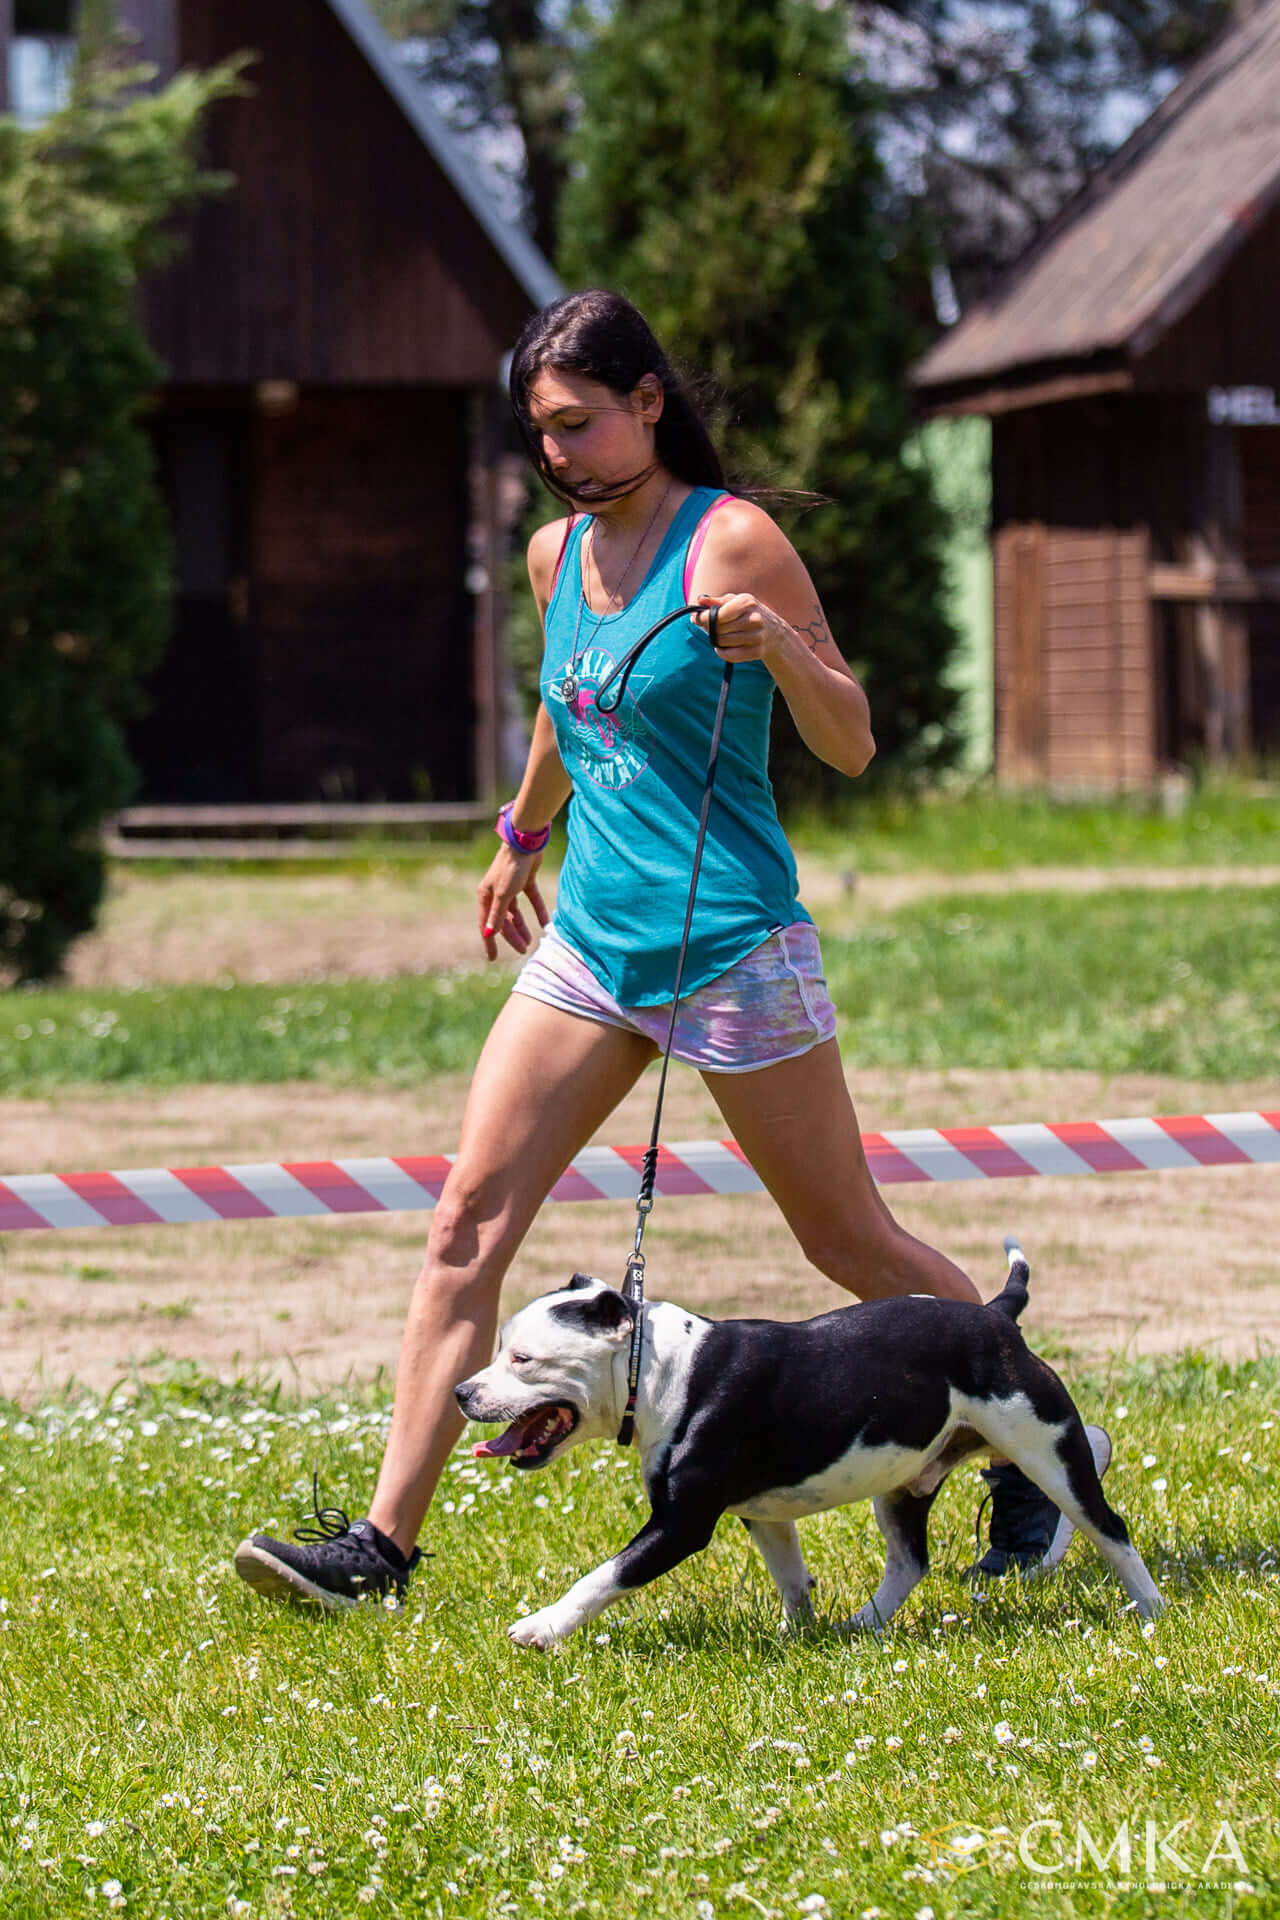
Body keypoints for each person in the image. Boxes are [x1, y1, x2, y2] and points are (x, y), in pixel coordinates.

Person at [234, 289, 1080, 1609]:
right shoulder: (551, 555)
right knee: (465, 1220)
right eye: (543, 434)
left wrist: (782, 646)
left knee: (846, 1242)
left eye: (582, 423)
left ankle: (1022, 1430)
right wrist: (521, 830)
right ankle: (381, 1551)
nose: (562, 453)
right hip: (591, 948)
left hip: (731, 943)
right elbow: (568, 707)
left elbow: (852, 737)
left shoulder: (733, 542)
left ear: (645, 402)